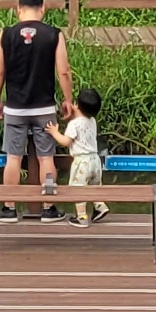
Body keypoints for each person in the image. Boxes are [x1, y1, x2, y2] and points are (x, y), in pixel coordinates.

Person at [0, 0, 69, 219]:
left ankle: (9, 208)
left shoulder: (6, 34)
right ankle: (48, 206)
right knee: (46, 158)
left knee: (13, 157)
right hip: (44, 107)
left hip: (15, 107)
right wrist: (68, 99)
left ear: (18, 9)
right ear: (43, 9)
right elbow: (64, 71)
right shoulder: (54, 34)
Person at [58, 85, 111, 219]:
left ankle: (81, 217)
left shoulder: (74, 124)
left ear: (76, 105)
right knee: (94, 186)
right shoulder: (92, 121)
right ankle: (100, 206)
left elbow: (66, 141)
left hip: (82, 162)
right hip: (95, 160)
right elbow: (83, 119)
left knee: (78, 189)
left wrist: (54, 132)